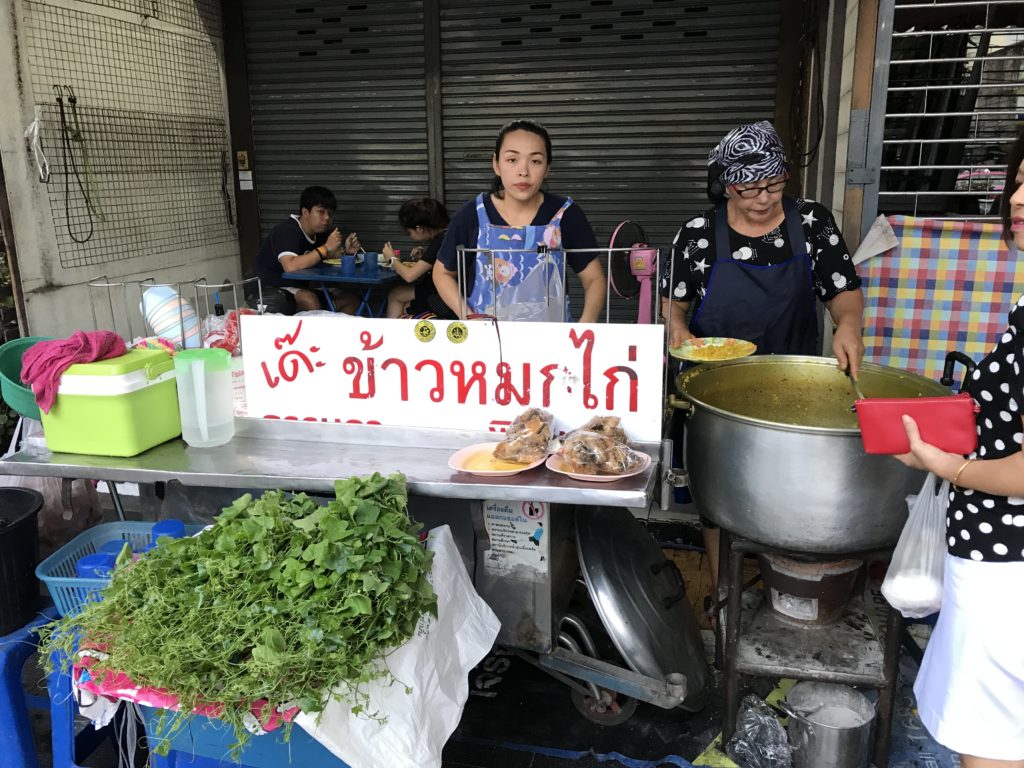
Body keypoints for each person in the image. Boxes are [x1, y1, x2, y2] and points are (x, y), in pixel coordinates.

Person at [660, 120, 866, 595]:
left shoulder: (811, 222)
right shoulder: (697, 234)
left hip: (793, 387)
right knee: (717, 496)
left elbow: (844, 293)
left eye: (774, 184)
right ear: (726, 184)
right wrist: (679, 331)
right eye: (750, 186)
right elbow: (675, 303)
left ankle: (783, 587)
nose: (764, 197)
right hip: (714, 389)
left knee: (787, 491)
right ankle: (724, 591)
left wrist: (849, 326)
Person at [895, 129, 1024, 768]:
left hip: (1010, 571)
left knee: (991, 747)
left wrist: (948, 465)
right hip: (997, 556)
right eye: (1020, 181)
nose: (1020, 198)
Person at [432, 119, 606, 322]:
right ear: (496, 164)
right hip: (487, 342)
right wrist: (470, 317)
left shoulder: (565, 214)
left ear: (547, 168)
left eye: (535, 161)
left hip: (551, 343)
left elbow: (594, 279)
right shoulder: (472, 214)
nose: (523, 171)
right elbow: (441, 274)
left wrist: (583, 328)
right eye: (512, 160)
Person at [249, 186, 360, 314]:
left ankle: (333, 332)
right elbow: (290, 266)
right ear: (305, 212)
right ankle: (314, 333)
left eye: (330, 213)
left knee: (350, 299)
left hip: (299, 288)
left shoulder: (321, 233)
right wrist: (324, 248)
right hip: (271, 288)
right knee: (309, 301)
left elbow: (333, 258)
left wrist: (348, 253)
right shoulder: (287, 231)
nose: (327, 218)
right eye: (321, 212)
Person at [380, 198, 454, 319]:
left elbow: (409, 276)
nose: (410, 236)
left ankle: (391, 333)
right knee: (399, 295)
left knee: (395, 294)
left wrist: (392, 258)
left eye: (409, 232)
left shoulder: (440, 241)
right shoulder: (448, 235)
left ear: (419, 228)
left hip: (441, 300)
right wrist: (424, 257)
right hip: (446, 294)